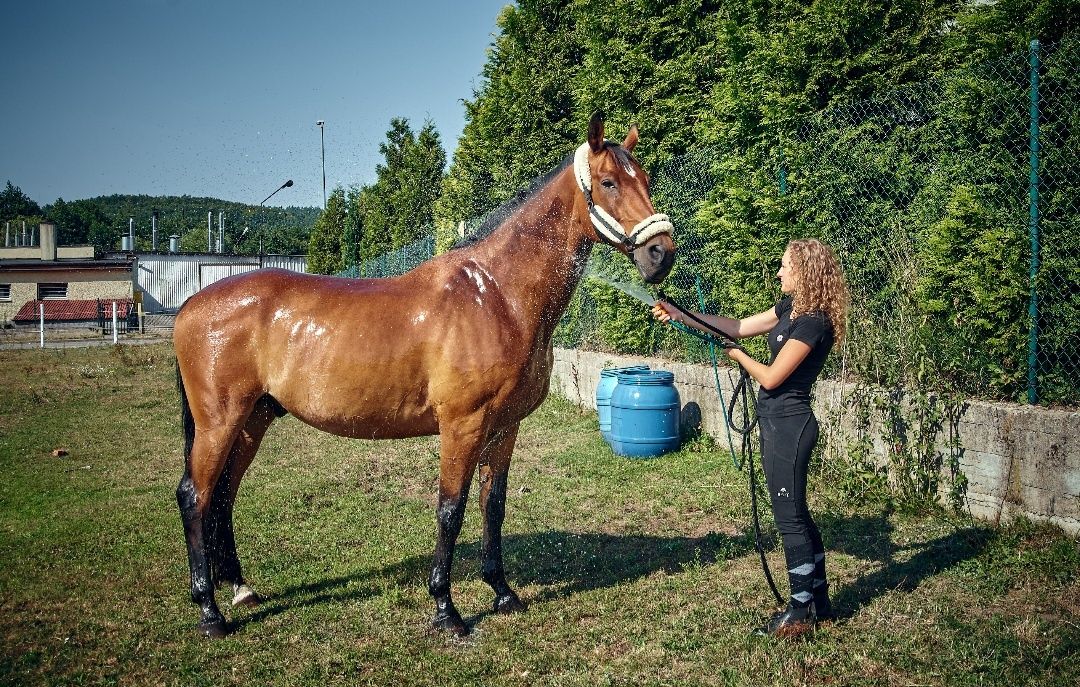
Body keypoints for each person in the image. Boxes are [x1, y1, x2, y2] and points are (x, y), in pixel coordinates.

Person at [651, 238, 849, 638]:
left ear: (805, 271)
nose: (779, 272)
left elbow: (774, 376)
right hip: (776, 424)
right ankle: (820, 602)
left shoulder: (814, 322)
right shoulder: (790, 310)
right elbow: (738, 326)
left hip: (791, 427)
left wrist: (739, 356)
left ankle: (798, 612)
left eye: (785, 267)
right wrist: (682, 314)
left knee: (789, 518)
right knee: (797, 513)